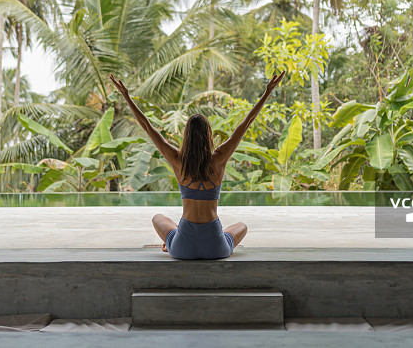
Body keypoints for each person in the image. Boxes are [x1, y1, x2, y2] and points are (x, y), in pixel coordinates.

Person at [109, 71, 285, 259]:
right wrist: (267, 92)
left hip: (182, 249)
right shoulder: (219, 159)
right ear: (208, 135)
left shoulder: (178, 161)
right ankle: (194, 238)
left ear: (186, 135)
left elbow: (146, 126)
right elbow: (246, 122)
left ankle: (172, 241)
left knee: (158, 218)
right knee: (242, 226)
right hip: (216, 249)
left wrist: (127, 97)